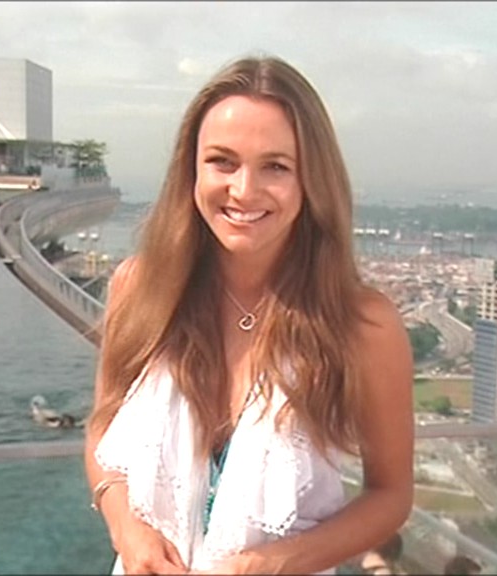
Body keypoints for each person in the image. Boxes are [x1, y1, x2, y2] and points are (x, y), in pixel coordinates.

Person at [84, 54, 415, 575]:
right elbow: (103, 429)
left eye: (275, 167)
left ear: (312, 181)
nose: (243, 190)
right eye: (222, 161)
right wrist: (128, 530)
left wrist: (273, 564)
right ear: (191, 169)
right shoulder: (140, 289)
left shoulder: (361, 324)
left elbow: (390, 495)